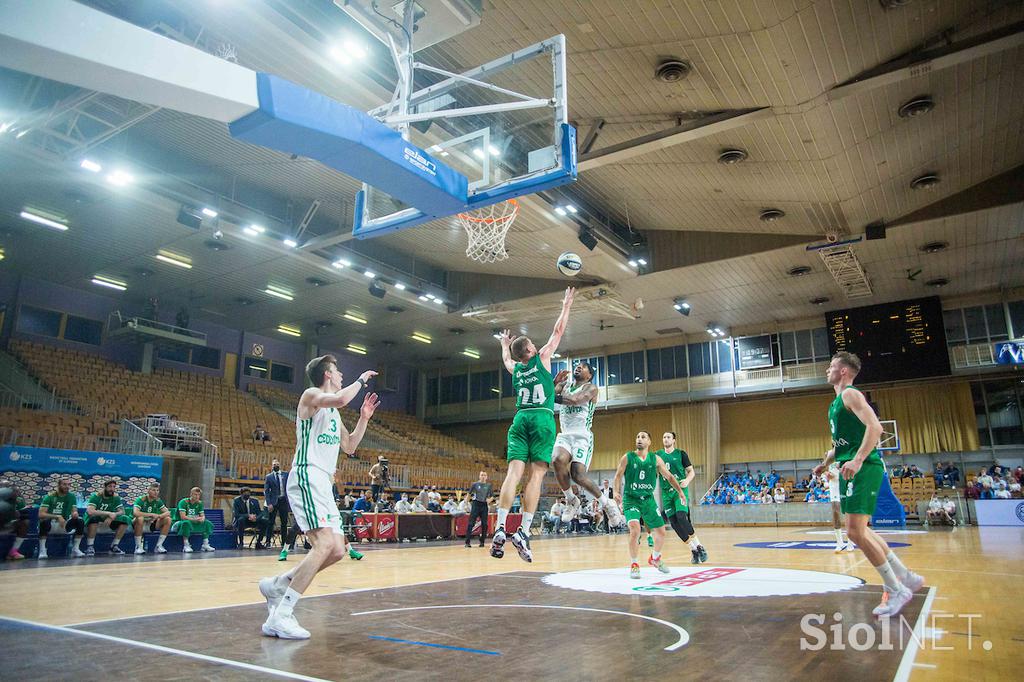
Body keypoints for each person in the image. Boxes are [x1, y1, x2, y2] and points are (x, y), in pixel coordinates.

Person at [259, 355, 378, 640]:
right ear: (327, 374)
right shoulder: (311, 396)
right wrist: (361, 380)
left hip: (323, 482)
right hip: (306, 475)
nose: (340, 376)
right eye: (337, 371)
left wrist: (363, 419)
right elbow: (339, 399)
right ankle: (282, 615)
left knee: (337, 549)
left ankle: (278, 585)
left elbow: (349, 446)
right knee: (324, 544)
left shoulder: (335, 415)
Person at [813, 352, 923, 618]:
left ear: (843, 372)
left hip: (864, 467)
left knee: (854, 532)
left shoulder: (851, 394)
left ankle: (896, 589)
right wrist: (825, 464)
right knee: (859, 530)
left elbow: (875, 427)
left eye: (831, 367)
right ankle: (905, 577)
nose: (827, 370)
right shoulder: (836, 403)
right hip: (848, 466)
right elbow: (840, 445)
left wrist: (859, 460)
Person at [491, 287, 575, 563]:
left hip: (520, 419)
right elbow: (558, 331)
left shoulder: (516, 368)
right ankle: (523, 531)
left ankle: (501, 527)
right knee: (536, 476)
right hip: (541, 418)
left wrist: (504, 344)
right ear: (529, 349)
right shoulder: (542, 359)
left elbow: (506, 358)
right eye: (531, 345)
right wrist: (565, 306)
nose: (536, 346)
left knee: (513, 474)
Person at [552, 362, 624, 528]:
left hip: (582, 436)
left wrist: (552, 395)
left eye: (582, 367)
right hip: (565, 434)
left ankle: (607, 504)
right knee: (556, 459)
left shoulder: (591, 388)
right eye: (577, 365)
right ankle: (571, 500)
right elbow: (546, 394)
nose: (578, 367)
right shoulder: (564, 385)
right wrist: (553, 383)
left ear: (589, 375)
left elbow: (576, 400)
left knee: (577, 475)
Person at [613, 431, 688, 578]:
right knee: (634, 530)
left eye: (643, 437)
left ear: (649, 442)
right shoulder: (627, 457)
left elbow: (669, 476)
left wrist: (680, 491)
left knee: (661, 532)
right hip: (631, 499)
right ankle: (634, 564)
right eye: (637, 437)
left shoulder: (655, 459)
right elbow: (618, 475)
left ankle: (655, 558)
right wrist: (616, 492)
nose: (639, 439)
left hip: (648, 499)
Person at [654, 431, 707, 564]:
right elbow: (654, 472)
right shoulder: (657, 455)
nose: (666, 439)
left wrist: (687, 481)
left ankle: (700, 546)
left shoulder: (681, 454)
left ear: (674, 440)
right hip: (666, 493)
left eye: (668, 437)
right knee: (674, 523)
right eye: (664, 437)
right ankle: (693, 550)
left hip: (680, 490)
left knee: (681, 517)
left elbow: (691, 471)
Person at [37, 477, 86, 559]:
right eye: (64, 484)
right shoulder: (49, 497)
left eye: (68, 484)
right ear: (59, 485)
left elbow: (74, 510)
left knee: (80, 521)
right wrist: (57, 516)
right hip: (50, 525)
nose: (67, 486)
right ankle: (42, 550)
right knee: (43, 521)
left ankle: (75, 548)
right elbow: (41, 514)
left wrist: (75, 514)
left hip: (64, 524)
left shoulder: (71, 496)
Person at [84, 480, 132, 556]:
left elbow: (122, 511)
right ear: (105, 487)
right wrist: (108, 513)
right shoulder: (96, 496)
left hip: (108, 519)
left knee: (124, 520)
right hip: (96, 518)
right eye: (110, 486)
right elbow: (90, 511)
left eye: (114, 487)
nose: (112, 489)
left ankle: (114, 546)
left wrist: (113, 515)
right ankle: (90, 547)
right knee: (93, 518)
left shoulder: (115, 497)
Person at [132, 482, 171, 554]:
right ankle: (138, 546)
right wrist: (150, 515)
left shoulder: (158, 501)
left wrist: (158, 516)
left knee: (168, 519)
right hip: (138, 524)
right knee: (140, 518)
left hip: (151, 523)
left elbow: (168, 512)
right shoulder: (141, 499)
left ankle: (159, 546)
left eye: (157, 490)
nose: (156, 492)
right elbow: (135, 513)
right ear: (148, 490)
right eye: (153, 490)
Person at [174, 487, 215, 553]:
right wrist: (195, 519)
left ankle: (205, 544)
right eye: (195, 494)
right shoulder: (183, 502)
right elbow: (183, 517)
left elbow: (202, 515)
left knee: (207, 523)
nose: (197, 496)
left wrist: (202, 518)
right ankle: (186, 545)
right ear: (191, 494)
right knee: (186, 523)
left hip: (192, 522)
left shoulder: (200, 503)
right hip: (179, 522)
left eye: (198, 495)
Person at [824, 465, 854, 552]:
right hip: (834, 486)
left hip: (845, 484)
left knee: (848, 513)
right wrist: (827, 474)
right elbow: (824, 468)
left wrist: (838, 475)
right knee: (835, 512)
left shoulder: (846, 453)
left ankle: (850, 542)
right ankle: (839, 543)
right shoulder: (829, 454)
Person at [264, 459, 290, 547]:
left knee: (284, 523)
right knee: (270, 522)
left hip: (283, 500)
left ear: (280, 465)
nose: (276, 465)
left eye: (277, 464)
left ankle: (284, 543)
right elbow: (266, 491)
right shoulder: (269, 477)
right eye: (274, 464)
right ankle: (268, 542)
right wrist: (269, 503)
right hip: (274, 501)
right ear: (272, 466)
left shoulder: (286, 474)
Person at [1, 480, 29, 560]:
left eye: (8, 486)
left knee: (24, 523)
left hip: (9, 523)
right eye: (4, 486)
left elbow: (22, 513)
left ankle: (13, 552)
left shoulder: (17, 498)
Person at [464, 471, 492, 548]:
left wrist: (490, 500)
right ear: (479, 476)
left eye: (485, 475)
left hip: (484, 505)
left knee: (484, 524)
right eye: (482, 475)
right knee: (471, 523)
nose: (483, 476)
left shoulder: (489, 485)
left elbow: (492, 496)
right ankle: (467, 542)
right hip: (476, 504)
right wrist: (466, 503)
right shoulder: (475, 484)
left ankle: (482, 541)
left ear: (487, 477)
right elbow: (469, 494)